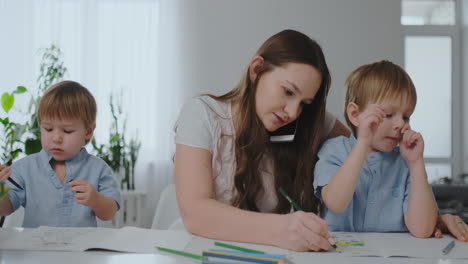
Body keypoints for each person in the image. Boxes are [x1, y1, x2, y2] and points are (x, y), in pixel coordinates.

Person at [174, 29, 350, 252]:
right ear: (256, 69)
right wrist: (282, 229)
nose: (293, 112)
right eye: (287, 91)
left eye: (304, 103)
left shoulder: (309, 122)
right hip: (202, 251)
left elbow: (361, 147)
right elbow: (195, 213)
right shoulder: (203, 114)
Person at [313, 60, 442, 238]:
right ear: (355, 115)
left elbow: (423, 230)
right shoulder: (333, 150)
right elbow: (336, 203)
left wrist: (416, 163)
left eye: (406, 117)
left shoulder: (405, 162)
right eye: (388, 115)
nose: (400, 124)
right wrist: (363, 143)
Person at [0, 81, 121, 227]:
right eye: (48, 129)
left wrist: (95, 199)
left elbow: (109, 213)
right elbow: (6, 208)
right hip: (36, 249)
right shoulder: (24, 168)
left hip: (80, 248)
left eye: (67, 131)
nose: (56, 138)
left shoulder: (98, 168)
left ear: (88, 132)